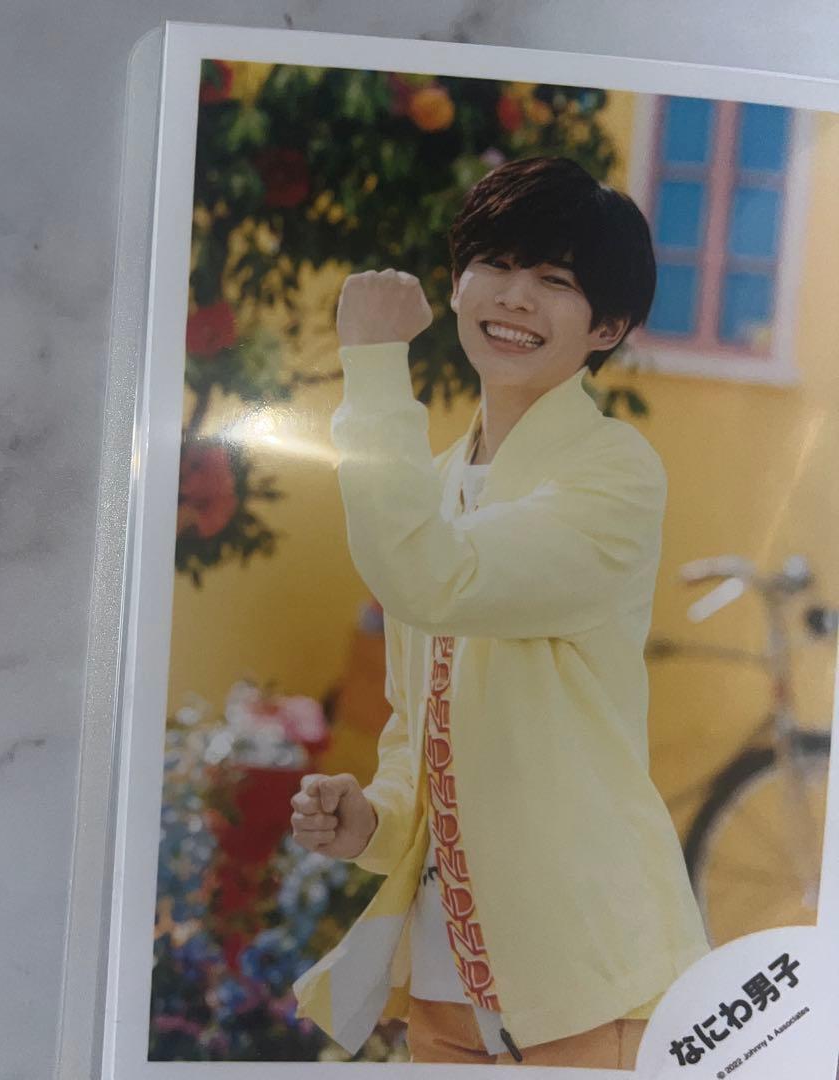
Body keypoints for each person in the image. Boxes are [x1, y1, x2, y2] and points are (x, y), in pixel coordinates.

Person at [289, 156, 709, 1069]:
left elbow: (432, 578)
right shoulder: (436, 482)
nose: (517, 296)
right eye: (498, 264)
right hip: (443, 993)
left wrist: (373, 363)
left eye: (556, 280)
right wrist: (371, 820)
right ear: (457, 283)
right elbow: (419, 730)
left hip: (589, 984)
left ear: (607, 327)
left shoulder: (614, 473)